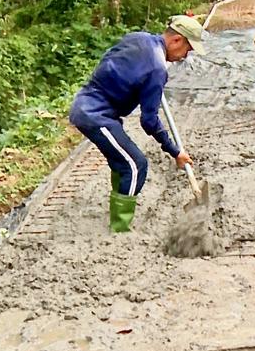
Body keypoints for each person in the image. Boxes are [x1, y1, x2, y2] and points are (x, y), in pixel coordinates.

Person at [69, 15, 206, 232]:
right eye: (188, 50)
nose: (184, 57)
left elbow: (110, 58)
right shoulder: (157, 69)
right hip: (95, 115)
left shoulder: (140, 38)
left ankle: (118, 209)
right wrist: (174, 150)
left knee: (121, 161)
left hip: (90, 105)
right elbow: (148, 121)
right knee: (135, 165)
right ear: (177, 40)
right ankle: (120, 228)